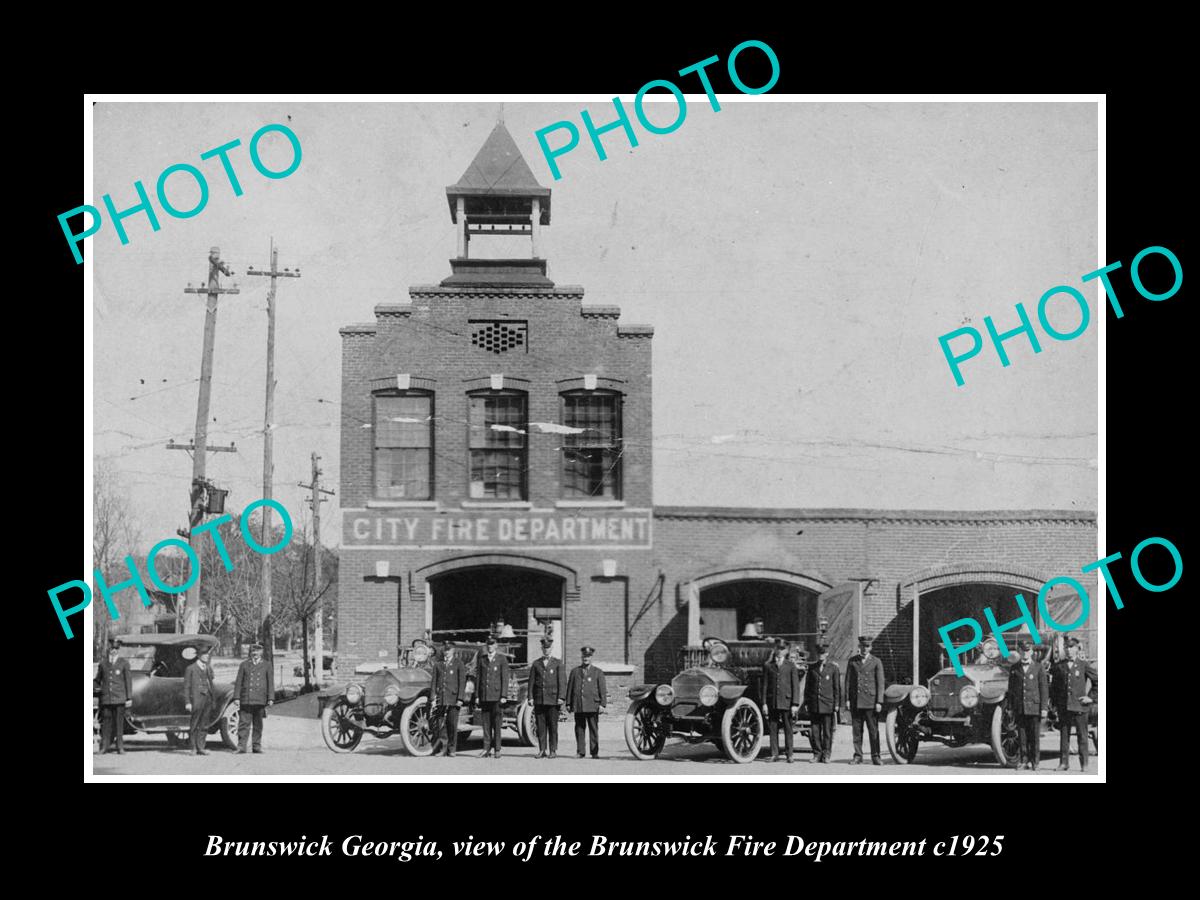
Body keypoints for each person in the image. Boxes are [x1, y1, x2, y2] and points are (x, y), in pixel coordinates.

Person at [1051, 637, 1098, 772]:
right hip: (1064, 707)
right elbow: (1054, 688)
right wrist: (1055, 705)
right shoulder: (1059, 666)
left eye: (1072, 647)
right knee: (1064, 736)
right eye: (1067, 647)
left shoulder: (1084, 665)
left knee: (1082, 736)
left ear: (1077, 649)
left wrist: (1090, 698)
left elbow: (1098, 681)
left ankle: (1084, 764)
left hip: (1080, 707)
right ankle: (1063, 763)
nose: (1069, 650)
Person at [1007, 639, 1048, 770]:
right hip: (1020, 707)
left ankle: (1035, 761)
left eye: (1027, 651)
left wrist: (1043, 708)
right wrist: (1010, 708)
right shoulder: (1014, 668)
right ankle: (1024, 760)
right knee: (1022, 735)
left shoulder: (1038, 667)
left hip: (1034, 707)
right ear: (1019, 652)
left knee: (1034, 736)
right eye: (1022, 651)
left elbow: (1043, 689)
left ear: (1031, 652)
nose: (1025, 654)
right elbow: (1011, 689)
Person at [846, 635, 886, 765]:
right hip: (856, 701)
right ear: (859, 647)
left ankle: (876, 756)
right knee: (857, 731)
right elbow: (848, 682)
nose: (864, 649)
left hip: (871, 701)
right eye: (863, 646)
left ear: (871, 648)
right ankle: (858, 755)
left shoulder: (876, 661)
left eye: (867, 646)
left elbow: (880, 683)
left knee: (873, 730)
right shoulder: (852, 661)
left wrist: (879, 701)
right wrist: (847, 699)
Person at [761, 640, 801, 762]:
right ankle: (774, 754)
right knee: (773, 729)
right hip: (772, 702)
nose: (780, 652)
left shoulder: (790, 666)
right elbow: (765, 686)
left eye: (782, 649)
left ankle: (790, 755)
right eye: (778, 649)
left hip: (786, 702)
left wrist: (795, 704)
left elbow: (796, 686)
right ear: (775, 650)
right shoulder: (769, 666)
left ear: (785, 651)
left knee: (788, 728)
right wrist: (764, 703)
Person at [528, 636, 566, 758]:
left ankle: (553, 750)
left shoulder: (558, 663)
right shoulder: (536, 664)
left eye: (548, 648)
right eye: (544, 648)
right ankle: (542, 749)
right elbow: (531, 682)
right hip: (539, 700)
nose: (546, 650)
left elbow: (562, 681)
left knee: (553, 726)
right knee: (541, 727)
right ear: (541, 648)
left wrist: (561, 697)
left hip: (553, 700)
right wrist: (530, 697)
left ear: (551, 648)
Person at [233, 642, 274, 754]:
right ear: (250, 653)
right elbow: (238, 682)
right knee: (243, 724)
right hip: (247, 698)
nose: (255, 653)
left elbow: (270, 682)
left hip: (260, 699)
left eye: (257, 651)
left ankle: (256, 746)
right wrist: (236, 697)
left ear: (261, 652)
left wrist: (270, 698)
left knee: (258, 725)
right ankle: (241, 746)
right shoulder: (244, 665)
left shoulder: (267, 665)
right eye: (253, 651)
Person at [566, 646, 606, 758]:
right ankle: (580, 752)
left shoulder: (598, 672)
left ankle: (594, 752)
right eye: (584, 656)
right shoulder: (575, 671)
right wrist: (568, 703)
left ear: (591, 657)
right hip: (578, 704)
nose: (585, 658)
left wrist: (603, 704)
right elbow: (570, 688)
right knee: (579, 728)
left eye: (588, 656)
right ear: (581, 656)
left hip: (593, 705)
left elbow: (602, 689)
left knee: (593, 729)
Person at [804, 642, 841, 763]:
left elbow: (836, 688)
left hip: (827, 704)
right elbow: (808, 687)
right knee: (815, 731)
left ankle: (826, 754)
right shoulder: (812, 668)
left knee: (827, 731)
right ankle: (817, 754)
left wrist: (836, 704)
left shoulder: (833, 668)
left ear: (827, 654)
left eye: (823, 653)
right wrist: (806, 702)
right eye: (819, 653)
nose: (821, 656)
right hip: (814, 704)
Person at [95, 637, 133, 755]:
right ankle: (104, 747)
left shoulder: (124, 663)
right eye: (112, 648)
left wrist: (129, 698)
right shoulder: (103, 663)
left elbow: (128, 681)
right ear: (109, 649)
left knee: (119, 724)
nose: (114, 650)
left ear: (119, 649)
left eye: (116, 648)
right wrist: (96, 687)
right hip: (106, 699)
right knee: (106, 724)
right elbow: (97, 680)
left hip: (119, 699)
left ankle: (120, 747)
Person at [475, 636, 509, 758]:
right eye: (488, 644)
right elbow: (479, 678)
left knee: (497, 724)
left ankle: (497, 749)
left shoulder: (501, 659)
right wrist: (477, 695)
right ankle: (486, 748)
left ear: (496, 646)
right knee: (486, 724)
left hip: (496, 696)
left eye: (492, 644)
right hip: (484, 696)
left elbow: (505, 678)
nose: (490, 646)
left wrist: (504, 695)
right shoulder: (482, 660)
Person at [430, 642, 467, 757]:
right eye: (445, 650)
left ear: (453, 651)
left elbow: (462, 682)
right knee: (441, 725)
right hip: (441, 698)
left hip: (453, 698)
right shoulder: (438, 664)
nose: (446, 652)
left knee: (452, 724)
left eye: (449, 650)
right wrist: (432, 698)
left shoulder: (458, 664)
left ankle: (452, 749)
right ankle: (443, 748)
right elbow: (434, 682)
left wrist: (460, 698)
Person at [183, 646, 216, 756]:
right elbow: (186, 687)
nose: (207, 656)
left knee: (204, 724)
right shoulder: (191, 669)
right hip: (196, 700)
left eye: (207, 654)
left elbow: (211, 683)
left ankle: (201, 747)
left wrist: (213, 699)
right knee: (194, 724)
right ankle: (193, 748)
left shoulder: (208, 667)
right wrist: (187, 702)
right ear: (198, 656)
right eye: (204, 655)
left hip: (207, 699)